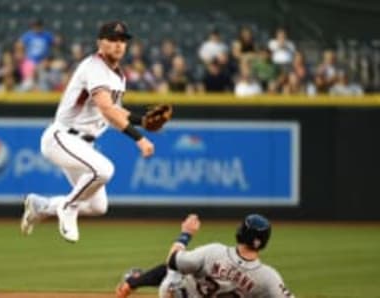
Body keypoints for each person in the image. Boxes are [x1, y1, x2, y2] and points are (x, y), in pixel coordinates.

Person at [20, 21, 156, 243]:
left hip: (83, 145)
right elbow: (107, 109)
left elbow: (115, 112)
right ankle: (67, 206)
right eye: (112, 39)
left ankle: (41, 206)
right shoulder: (94, 66)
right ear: (100, 43)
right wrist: (139, 138)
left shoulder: (119, 76)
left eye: (122, 40)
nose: (118, 44)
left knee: (97, 206)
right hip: (62, 138)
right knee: (104, 170)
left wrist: (144, 121)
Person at [117, 214, 294, 297]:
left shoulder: (214, 251)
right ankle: (133, 281)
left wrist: (186, 234)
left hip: (177, 294)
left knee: (176, 266)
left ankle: (132, 282)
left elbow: (171, 261)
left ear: (240, 233)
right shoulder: (269, 277)